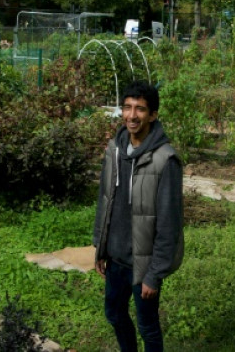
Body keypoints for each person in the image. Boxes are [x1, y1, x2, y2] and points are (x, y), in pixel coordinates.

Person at [93, 80, 184, 352]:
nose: (132, 115)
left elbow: (169, 223)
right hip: (115, 258)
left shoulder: (165, 160)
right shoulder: (115, 150)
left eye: (140, 109)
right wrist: (100, 246)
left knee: (147, 327)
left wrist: (154, 274)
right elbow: (104, 200)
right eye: (127, 107)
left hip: (143, 264)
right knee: (114, 313)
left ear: (153, 115)